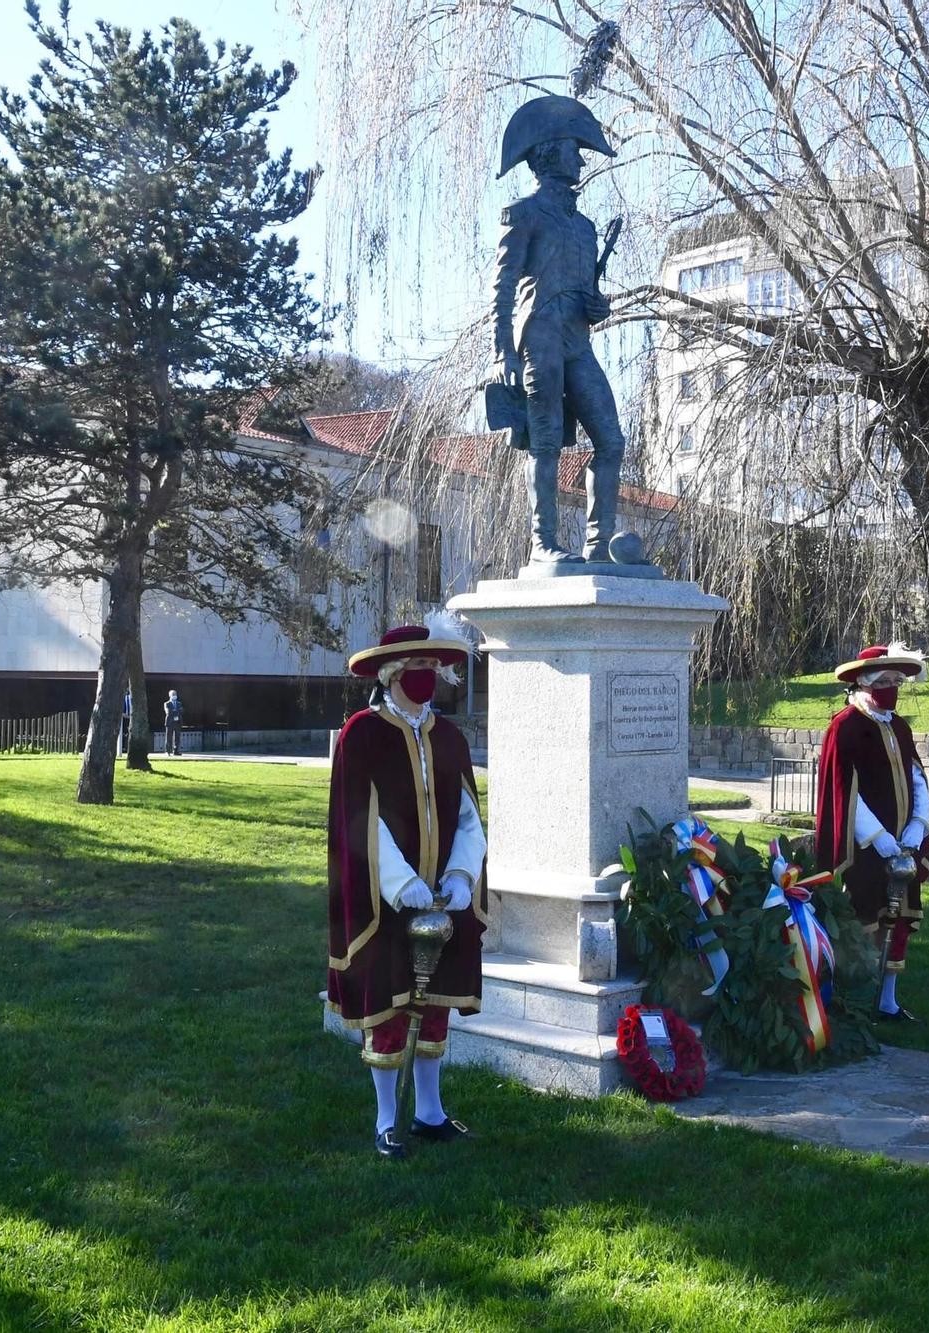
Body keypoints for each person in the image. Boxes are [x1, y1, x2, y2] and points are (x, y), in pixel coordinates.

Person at [328, 624, 488, 1159]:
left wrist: (462, 875)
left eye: (431, 670)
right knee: (389, 1008)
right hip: (385, 900)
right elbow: (360, 822)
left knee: (435, 1005)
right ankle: (385, 1119)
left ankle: (430, 1112)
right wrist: (403, 885)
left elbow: (468, 816)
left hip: (444, 898)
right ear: (393, 674)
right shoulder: (362, 734)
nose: (425, 679)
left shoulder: (449, 737)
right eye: (414, 670)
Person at [489, 94, 627, 566]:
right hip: (540, 336)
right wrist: (501, 351)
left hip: (576, 339)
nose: (581, 158)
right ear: (550, 152)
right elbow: (503, 288)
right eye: (574, 148)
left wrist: (596, 305)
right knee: (545, 440)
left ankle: (597, 545)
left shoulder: (587, 228)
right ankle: (543, 542)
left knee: (610, 441)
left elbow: (589, 294)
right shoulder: (523, 214)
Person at [813, 643, 929, 1022]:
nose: (892, 688)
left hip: (903, 844)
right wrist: (878, 838)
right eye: (885, 681)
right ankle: (852, 999)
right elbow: (843, 790)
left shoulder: (899, 725)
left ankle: (888, 1001)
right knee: (865, 917)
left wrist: (917, 825)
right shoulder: (845, 726)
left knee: (899, 920)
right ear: (865, 683)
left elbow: (916, 777)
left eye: (898, 681)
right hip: (862, 845)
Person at [162, 690, 184, 756]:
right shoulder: (167, 703)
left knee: (177, 737)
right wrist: (176, 712)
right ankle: (168, 751)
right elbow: (168, 712)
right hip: (170, 722)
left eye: (175, 694)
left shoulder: (179, 703)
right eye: (173, 694)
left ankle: (176, 751)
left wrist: (175, 711)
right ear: (170, 695)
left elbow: (182, 711)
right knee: (169, 737)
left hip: (177, 722)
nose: (174, 695)